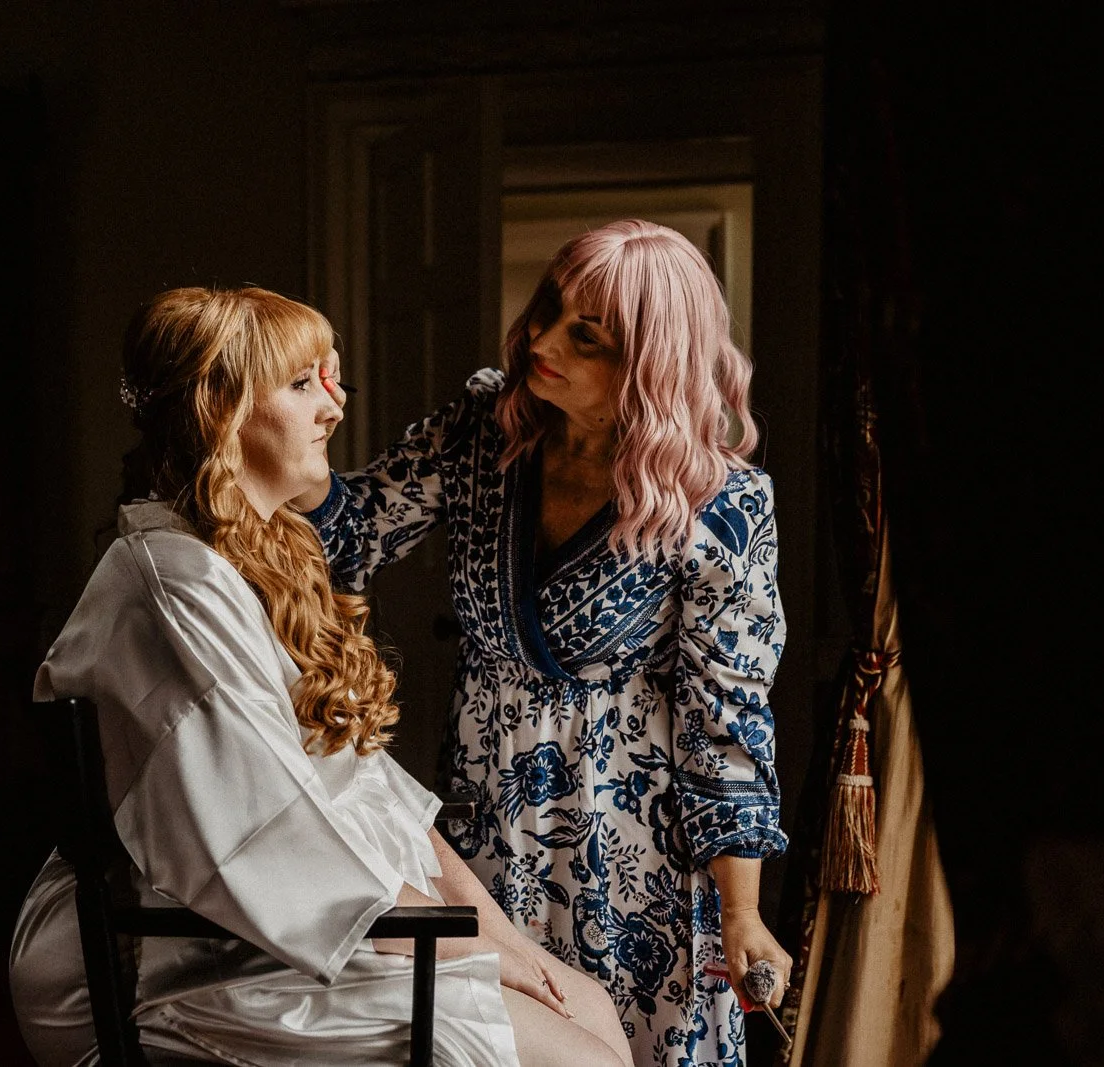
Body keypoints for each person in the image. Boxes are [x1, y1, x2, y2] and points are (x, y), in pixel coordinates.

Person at [8, 285, 634, 1067]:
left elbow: (368, 791)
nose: (334, 407)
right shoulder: (172, 581)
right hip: (183, 956)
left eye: (331, 380)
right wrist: (469, 945)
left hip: (288, 927)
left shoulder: (256, 556)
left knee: (589, 1004)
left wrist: (504, 939)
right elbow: (270, 830)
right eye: (302, 383)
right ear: (222, 411)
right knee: (579, 1058)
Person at [297, 220, 793, 1067]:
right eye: (549, 309)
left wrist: (742, 913)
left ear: (650, 362)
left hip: (632, 849)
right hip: (486, 817)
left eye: (585, 336)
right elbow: (349, 533)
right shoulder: (482, 432)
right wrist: (284, 434)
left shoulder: (720, 500)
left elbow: (727, 721)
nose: (541, 339)